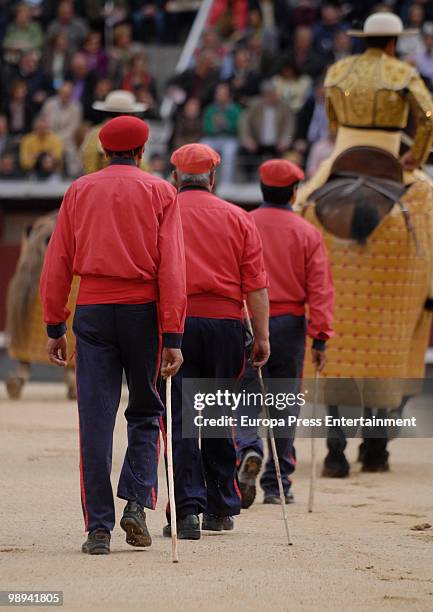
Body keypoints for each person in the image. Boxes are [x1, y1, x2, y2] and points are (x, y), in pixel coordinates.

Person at [39, 116, 187, 555]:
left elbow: (58, 262)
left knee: (96, 420)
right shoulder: (162, 191)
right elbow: (172, 267)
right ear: (142, 152)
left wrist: (53, 325)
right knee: (145, 409)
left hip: (93, 312)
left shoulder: (80, 190)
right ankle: (137, 503)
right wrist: (174, 333)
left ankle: (98, 529)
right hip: (143, 312)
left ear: (104, 152)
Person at [164, 143, 270, 540]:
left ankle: (188, 511)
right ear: (212, 178)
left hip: (178, 323)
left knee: (181, 419)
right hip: (226, 325)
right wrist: (262, 336)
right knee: (217, 416)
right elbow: (255, 285)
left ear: (175, 177)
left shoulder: (165, 213)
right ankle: (222, 507)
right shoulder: (238, 217)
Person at [236, 159, 334, 507]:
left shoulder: (243, 223)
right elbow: (320, 290)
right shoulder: (307, 233)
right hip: (290, 326)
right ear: (294, 192)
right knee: (284, 406)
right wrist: (320, 336)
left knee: (245, 396)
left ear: (262, 189)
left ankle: (247, 447)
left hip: (247, 320)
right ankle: (278, 484)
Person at [297, 12, 433, 203]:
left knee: (303, 202)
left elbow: (331, 113)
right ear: (392, 43)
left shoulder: (339, 69)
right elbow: (428, 116)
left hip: (343, 151)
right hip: (389, 151)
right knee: (425, 205)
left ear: (365, 40)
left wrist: (338, 132)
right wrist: (416, 155)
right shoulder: (403, 72)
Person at [239, 81, 295, 176]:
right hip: (257, 141)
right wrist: (247, 139)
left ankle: (280, 178)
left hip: (278, 143)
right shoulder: (255, 105)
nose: (272, 97)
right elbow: (244, 122)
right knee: (245, 151)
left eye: (274, 94)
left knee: (286, 154)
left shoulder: (284, 107)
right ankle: (248, 178)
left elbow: (289, 125)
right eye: (269, 95)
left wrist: (286, 140)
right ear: (264, 95)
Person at [201, 83, 242, 184]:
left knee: (229, 151)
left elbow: (238, 128)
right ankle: (203, 181)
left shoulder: (236, 109)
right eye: (218, 94)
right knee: (203, 146)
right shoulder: (210, 109)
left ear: (229, 95)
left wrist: (225, 125)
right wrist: (215, 127)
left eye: (222, 94)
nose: (219, 96)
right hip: (213, 138)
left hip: (230, 139)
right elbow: (206, 127)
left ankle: (226, 183)